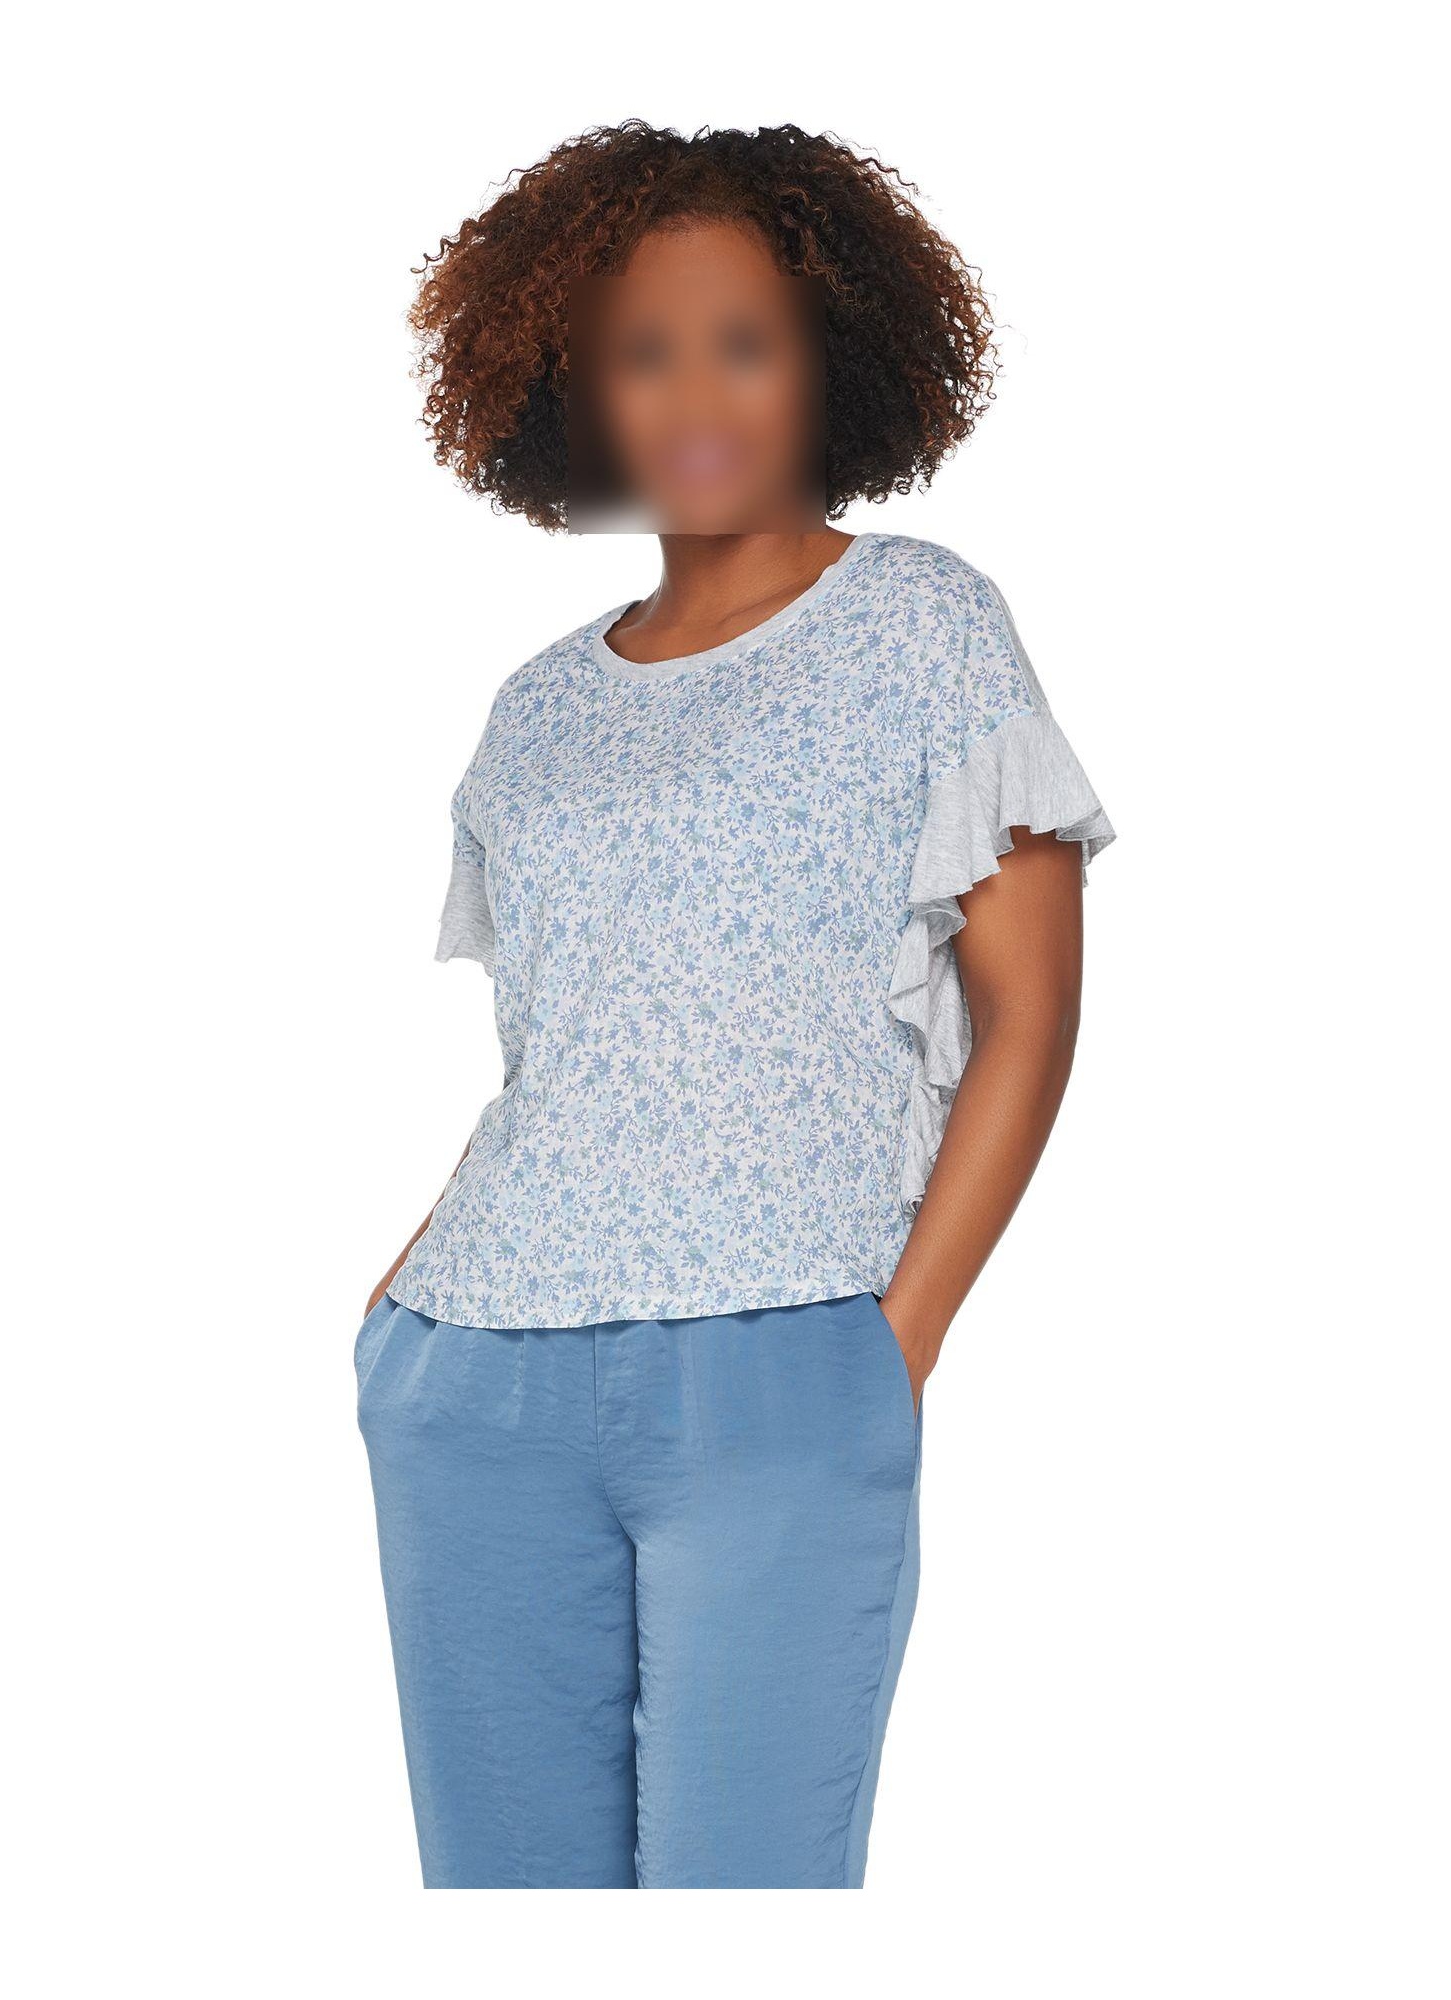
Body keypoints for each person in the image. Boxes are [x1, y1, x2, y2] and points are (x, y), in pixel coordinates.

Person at [356, 121, 1115, 1888]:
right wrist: (400, 1311)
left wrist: (890, 1348)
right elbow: (560, 1052)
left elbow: (1029, 1018)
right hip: (475, 1376)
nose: (696, 394)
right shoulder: (538, 704)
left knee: (743, 1904)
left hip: (786, 1364)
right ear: (574, 386)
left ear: (831, 358)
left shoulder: (925, 624)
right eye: (644, 350)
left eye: (744, 341)